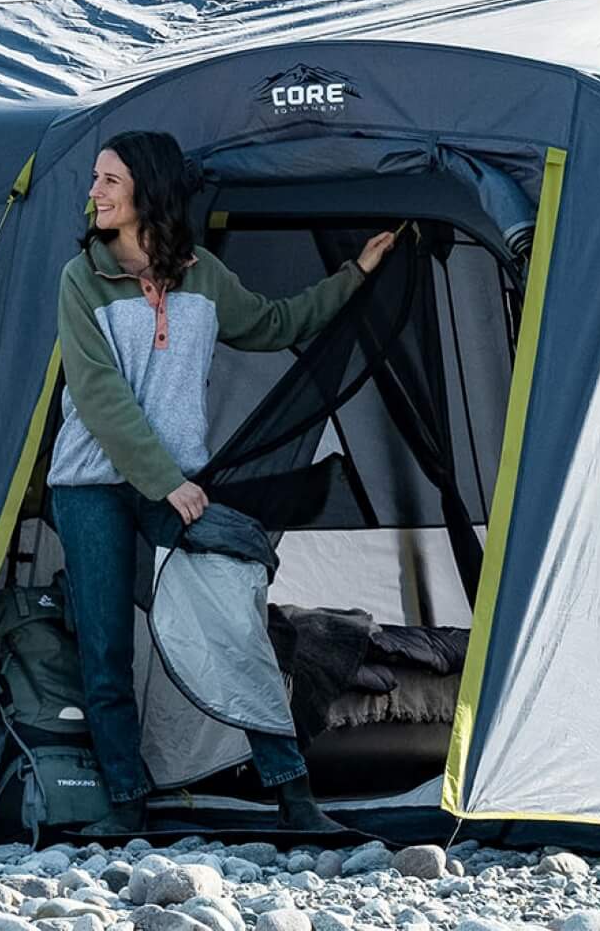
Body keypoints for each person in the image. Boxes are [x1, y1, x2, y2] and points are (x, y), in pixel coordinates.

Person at [49, 129, 397, 837]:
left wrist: (355, 274)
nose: (95, 193)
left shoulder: (201, 274)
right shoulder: (80, 280)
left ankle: (294, 799)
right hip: (91, 484)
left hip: (175, 486)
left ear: (147, 188)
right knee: (107, 652)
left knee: (235, 632)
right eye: (95, 180)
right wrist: (164, 480)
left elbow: (274, 324)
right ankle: (125, 809)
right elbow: (98, 392)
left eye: (109, 181)